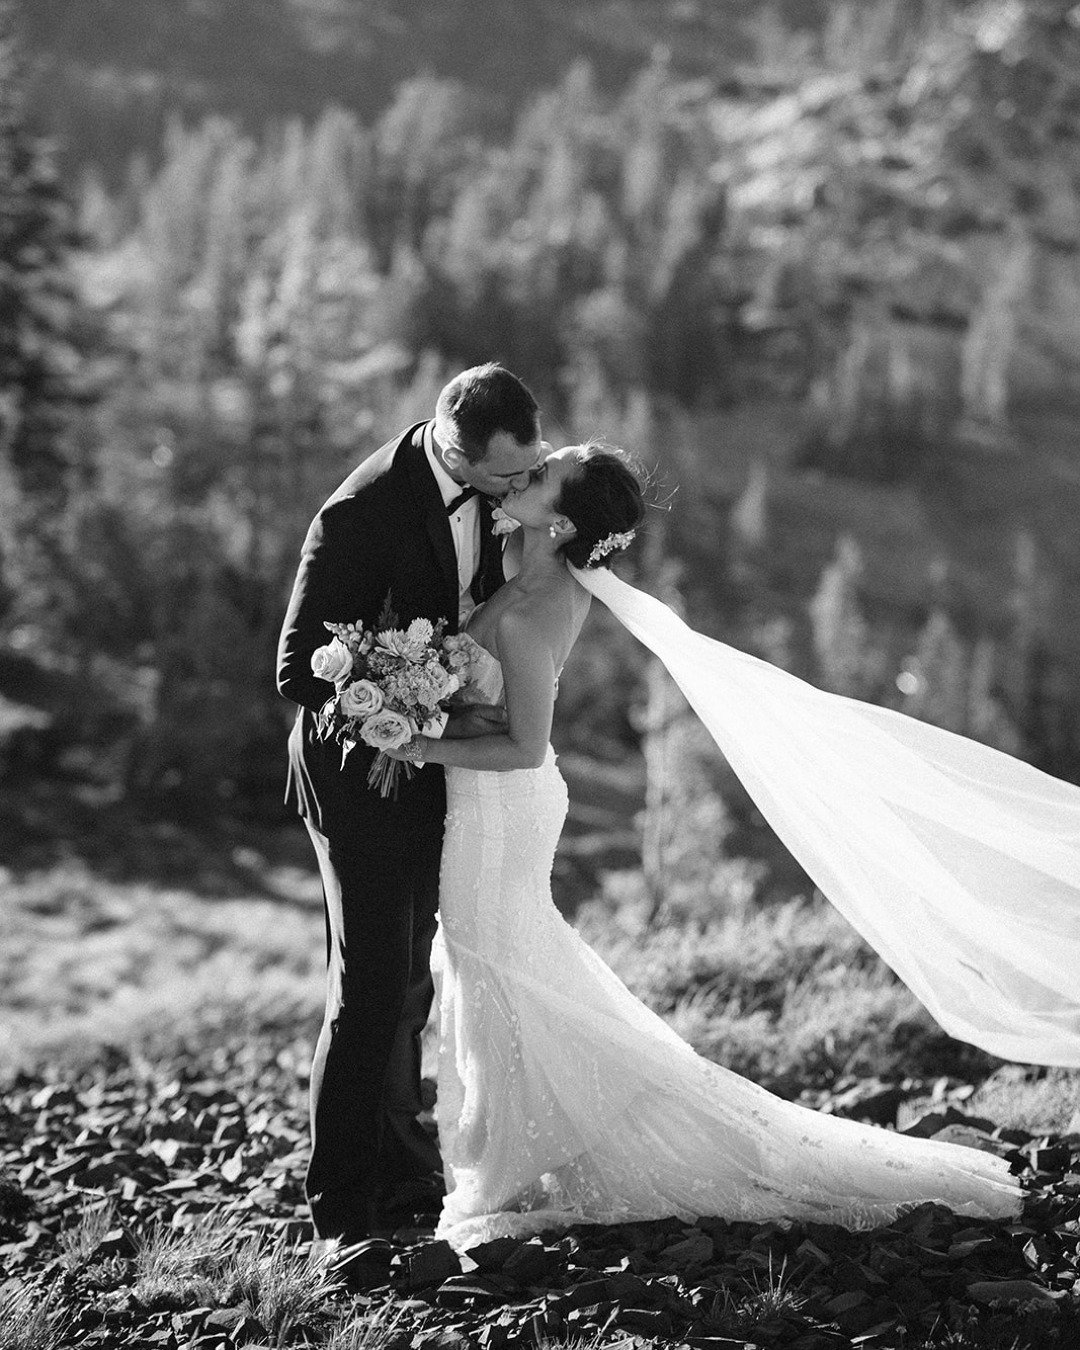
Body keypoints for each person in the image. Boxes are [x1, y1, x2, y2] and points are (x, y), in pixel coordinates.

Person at [384, 440, 1041, 1250]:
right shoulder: (531, 579)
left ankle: (509, 1163)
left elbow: (523, 744)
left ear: (561, 524)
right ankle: (523, 1150)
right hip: (495, 803)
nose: (529, 472)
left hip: (500, 808)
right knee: (505, 966)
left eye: (543, 474)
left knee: (493, 963)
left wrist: (414, 742)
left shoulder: (529, 611)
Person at [276, 362, 548, 1243]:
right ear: (454, 451)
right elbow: (295, 669)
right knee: (368, 986)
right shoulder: (361, 514)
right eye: (508, 474)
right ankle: (342, 1216)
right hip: (355, 773)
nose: (522, 487)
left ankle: (401, 1176)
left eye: (529, 466)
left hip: (434, 768)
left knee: (409, 986)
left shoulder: (501, 487)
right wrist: (403, 696)